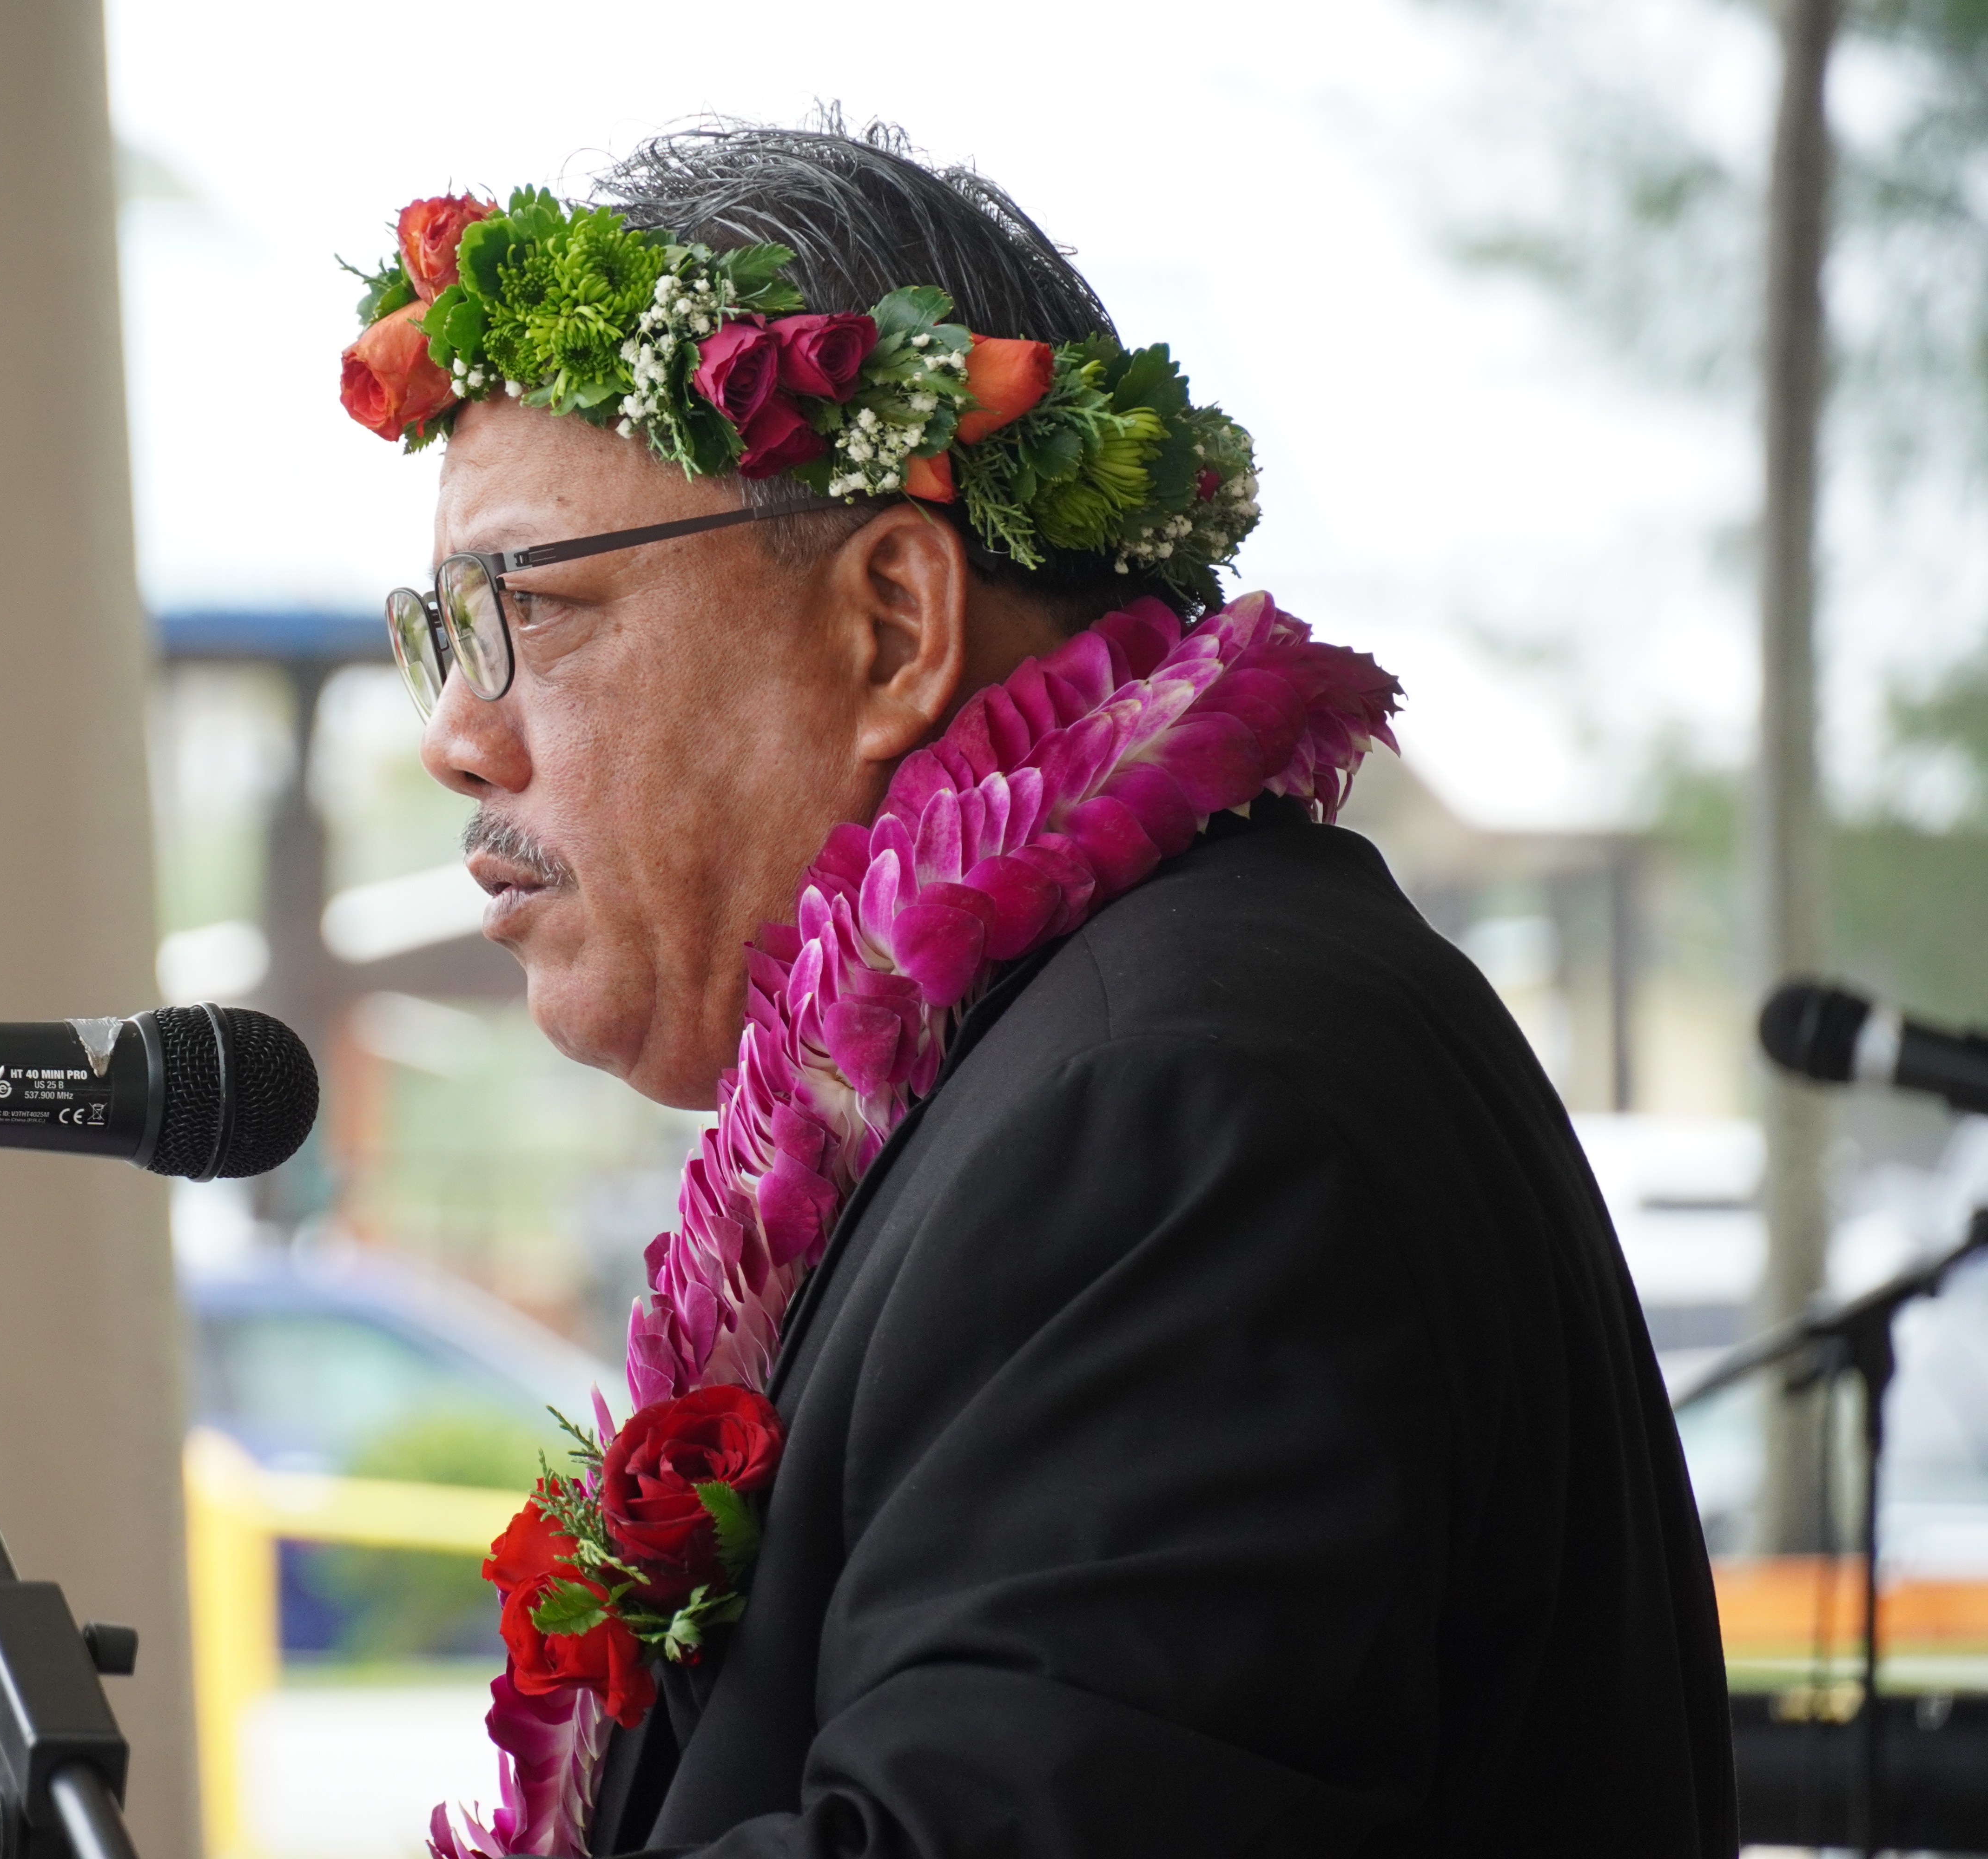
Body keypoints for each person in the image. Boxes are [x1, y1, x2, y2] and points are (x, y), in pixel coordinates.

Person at [337, 121, 1734, 1857]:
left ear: (892, 626)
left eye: (531, 611)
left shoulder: (1174, 1108)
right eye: (442, 631)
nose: (456, 737)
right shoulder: (1098, 1049)